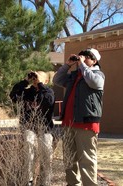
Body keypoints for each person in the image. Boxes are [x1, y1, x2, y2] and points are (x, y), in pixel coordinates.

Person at [52, 48, 105, 186]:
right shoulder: (74, 76)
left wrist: (83, 66)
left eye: (87, 56)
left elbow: (94, 83)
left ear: (94, 61)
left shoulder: (98, 75)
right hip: (68, 124)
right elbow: (57, 79)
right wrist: (67, 65)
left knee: (86, 159)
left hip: (86, 124)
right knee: (69, 159)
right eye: (82, 55)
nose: (83, 58)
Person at [9, 71, 55, 186]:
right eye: (34, 77)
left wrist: (40, 84)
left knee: (46, 152)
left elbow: (48, 101)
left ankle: (44, 182)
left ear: (46, 81)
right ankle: (28, 180)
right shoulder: (27, 92)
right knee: (29, 145)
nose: (35, 79)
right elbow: (13, 96)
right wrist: (25, 81)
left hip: (45, 128)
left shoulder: (49, 92)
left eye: (38, 77)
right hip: (29, 127)